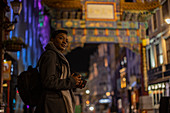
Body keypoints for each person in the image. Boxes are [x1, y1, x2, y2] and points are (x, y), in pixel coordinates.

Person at [34, 30, 84, 113]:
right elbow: (48, 82)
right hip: (52, 104)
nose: (64, 42)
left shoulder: (57, 56)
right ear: (52, 40)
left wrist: (74, 83)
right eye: (61, 38)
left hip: (57, 102)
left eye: (66, 40)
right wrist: (71, 81)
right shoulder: (50, 55)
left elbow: (59, 80)